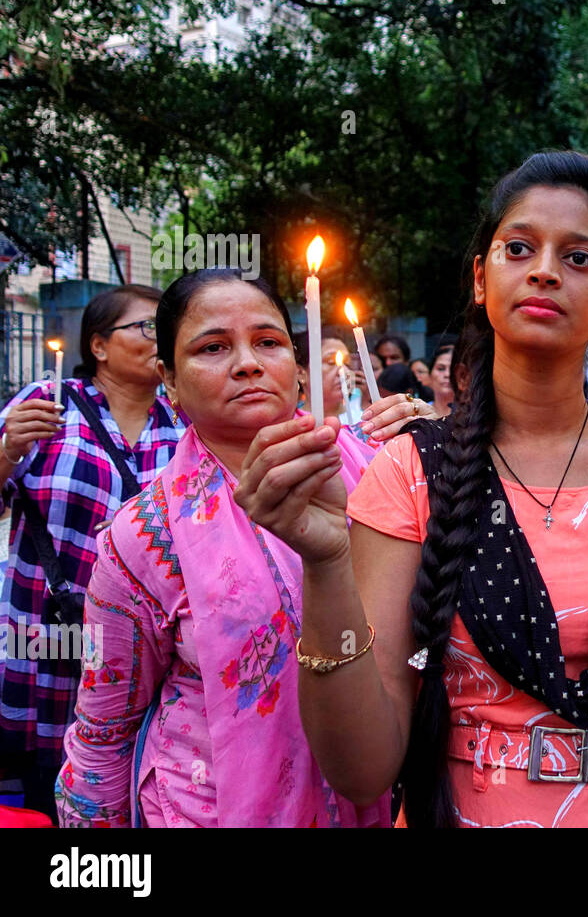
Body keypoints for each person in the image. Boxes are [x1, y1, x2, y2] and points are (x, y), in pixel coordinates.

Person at [238, 150, 588, 827]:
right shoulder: (408, 472)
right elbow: (361, 768)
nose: (545, 268)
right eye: (520, 248)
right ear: (483, 279)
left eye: (578, 258)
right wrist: (326, 565)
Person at [54, 270, 419, 827]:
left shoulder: (384, 468)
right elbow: (104, 730)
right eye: (213, 347)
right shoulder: (143, 538)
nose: (248, 363)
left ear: (297, 370)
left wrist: (444, 446)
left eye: (268, 342)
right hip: (207, 809)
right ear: (168, 380)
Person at [0, 284, 182, 820]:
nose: (159, 338)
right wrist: (7, 451)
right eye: (146, 326)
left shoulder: (183, 426)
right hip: (44, 637)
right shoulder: (47, 405)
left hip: (140, 650)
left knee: (123, 781)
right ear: (99, 345)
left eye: (166, 328)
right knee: (39, 787)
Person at [427, 340, 457, 419]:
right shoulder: (419, 413)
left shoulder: (471, 416)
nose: (447, 374)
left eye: (453, 369)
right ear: (430, 375)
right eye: (441, 369)